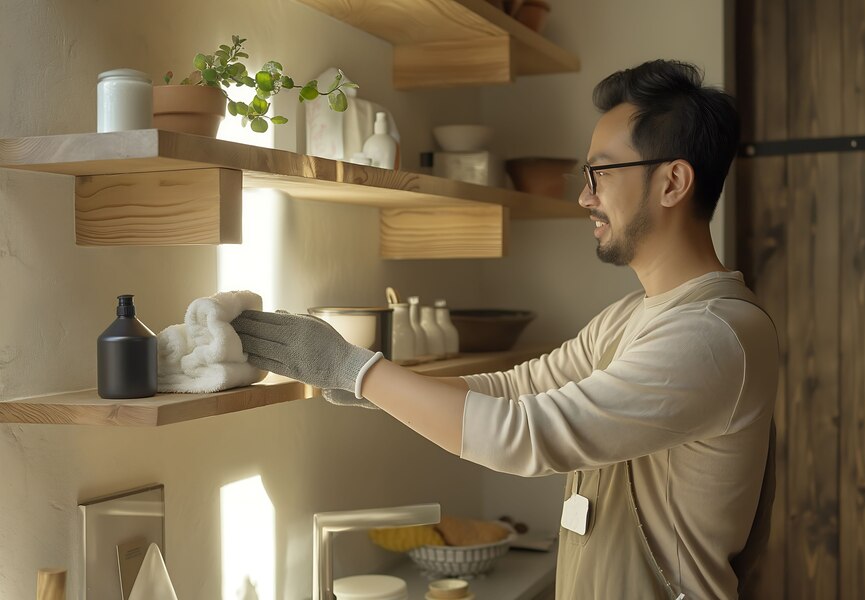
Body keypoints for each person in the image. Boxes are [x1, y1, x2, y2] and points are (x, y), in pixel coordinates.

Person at [231, 59, 779, 600]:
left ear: (672, 182)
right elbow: (517, 389)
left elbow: (527, 435)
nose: (586, 196)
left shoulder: (711, 336)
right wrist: (372, 386)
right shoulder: (633, 315)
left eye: (601, 173)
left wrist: (357, 372)